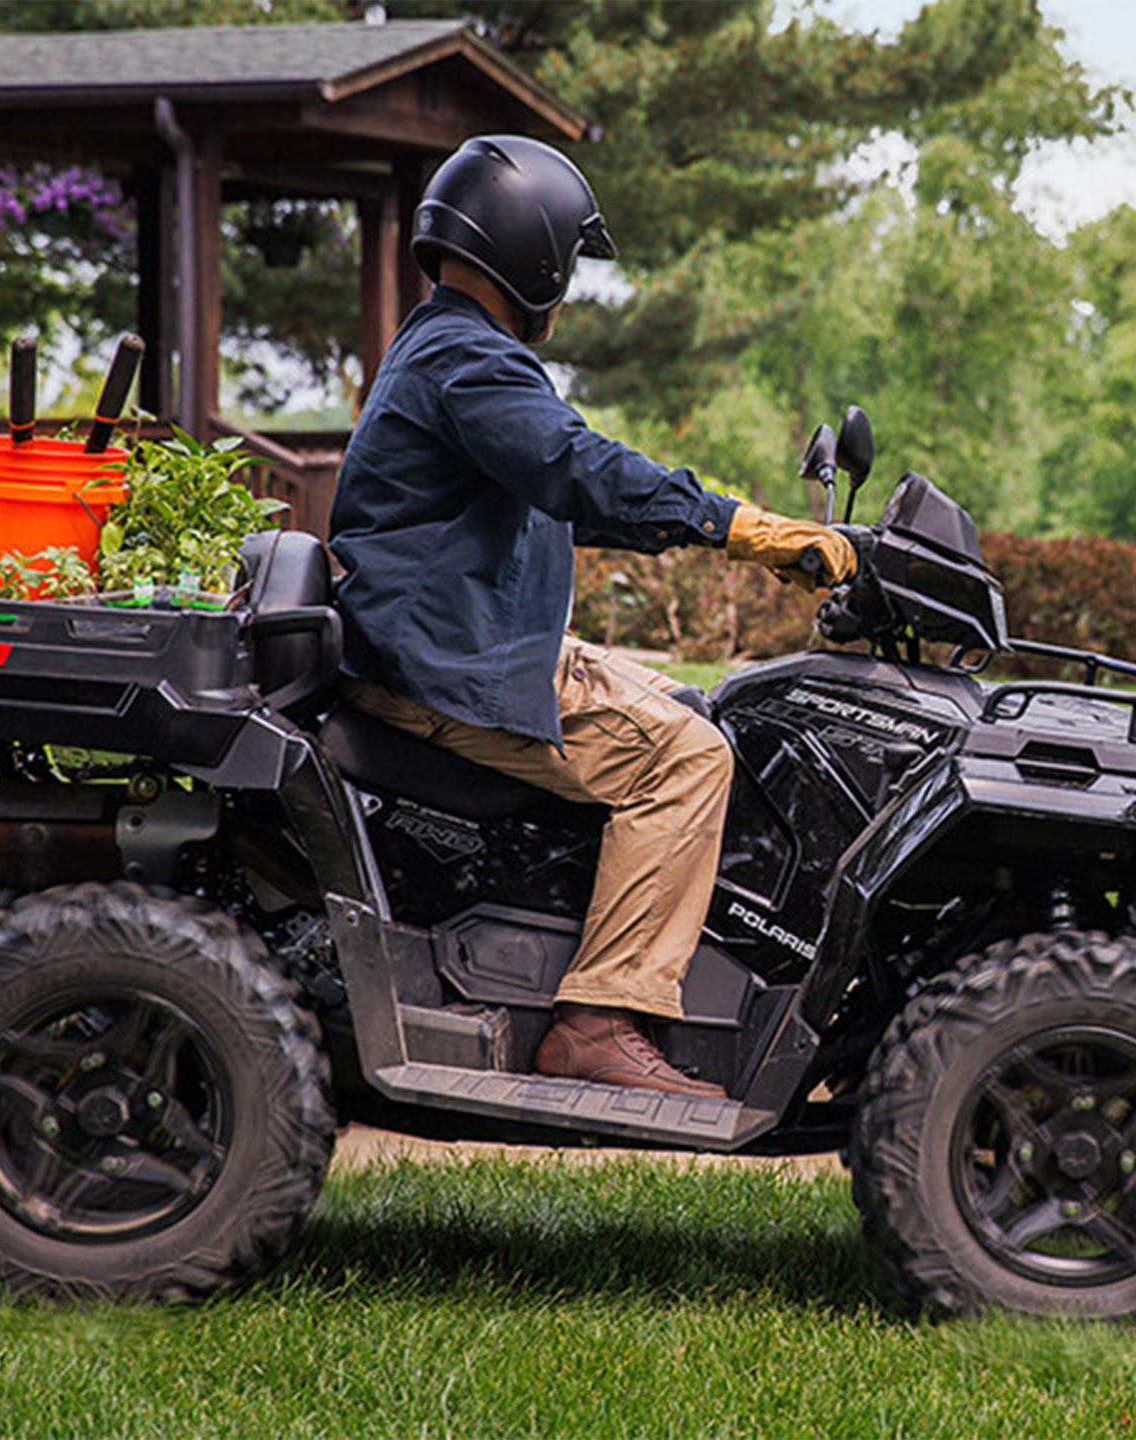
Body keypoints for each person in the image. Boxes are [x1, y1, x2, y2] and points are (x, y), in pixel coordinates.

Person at [328, 134, 855, 1098]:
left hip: (453, 636)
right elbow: (580, 469)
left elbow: (555, 485)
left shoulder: (439, 346)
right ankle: (598, 1019)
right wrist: (734, 524)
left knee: (704, 709)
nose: (565, 287)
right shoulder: (469, 362)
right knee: (688, 760)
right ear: (533, 256)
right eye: (566, 262)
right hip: (445, 657)